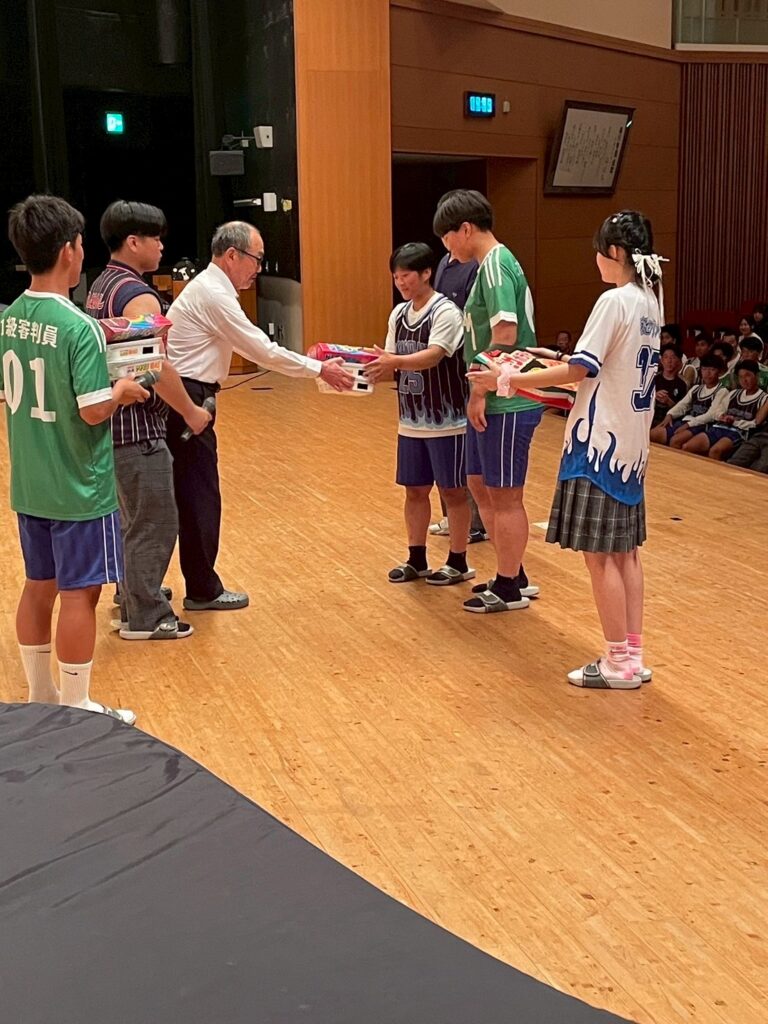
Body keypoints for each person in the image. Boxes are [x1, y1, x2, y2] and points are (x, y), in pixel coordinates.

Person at [470, 210, 664, 689]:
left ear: (613, 252)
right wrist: (551, 359)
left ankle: (616, 662)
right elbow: (599, 366)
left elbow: (581, 371)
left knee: (601, 556)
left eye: (599, 251)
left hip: (598, 445)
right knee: (626, 554)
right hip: (631, 447)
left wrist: (507, 378)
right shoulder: (650, 301)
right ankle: (632, 656)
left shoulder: (613, 300)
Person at [1, 195, 149, 721]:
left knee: (38, 587)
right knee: (80, 594)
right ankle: (77, 705)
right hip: (79, 487)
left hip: (30, 484)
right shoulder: (77, 326)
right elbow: (91, 411)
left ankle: (41, 696)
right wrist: (123, 390)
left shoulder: (10, 318)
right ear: (68, 250)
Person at [165, 221, 354, 611]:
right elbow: (262, 351)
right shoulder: (214, 294)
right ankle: (202, 589)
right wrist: (320, 369)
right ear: (232, 255)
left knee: (187, 495)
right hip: (188, 398)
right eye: (257, 259)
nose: (259, 268)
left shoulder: (211, 288)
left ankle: (172, 585)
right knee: (199, 496)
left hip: (188, 393)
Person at [87, 200, 212, 641]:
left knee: (133, 519)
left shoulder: (101, 285)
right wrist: (192, 412)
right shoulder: (137, 294)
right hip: (136, 427)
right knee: (155, 521)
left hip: (111, 423)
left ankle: (133, 596)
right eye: (155, 238)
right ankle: (146, 615)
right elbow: (154, 363)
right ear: (132, 242)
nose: (161, 246)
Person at [433, 189, 542, 613]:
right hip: (490, 396)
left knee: (505, 494)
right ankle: (512, 571)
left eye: (447, 238)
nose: (448, 250)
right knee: (479, 484)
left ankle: (510, 587)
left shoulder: (496, 264)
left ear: (465, 229)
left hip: (507, 399)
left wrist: (480, 389)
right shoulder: (488, 266)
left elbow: (506, 335)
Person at [365, 243, 472, 585]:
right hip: (410, 421)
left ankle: (458, 561)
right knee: (414, 490)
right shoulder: (398, 315)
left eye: (406, 275)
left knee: (453, 492)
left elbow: (434, 355)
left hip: (448, 421)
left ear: (426, 273)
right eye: (396, 277)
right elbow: (389, 362)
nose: (400, 282)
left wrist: (392, 362)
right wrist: (359, 371)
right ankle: (417, 558)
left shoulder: (446, 312)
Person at [429, 239, 486, 544]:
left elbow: (474, 319)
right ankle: (452, 518)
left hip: (467, 365)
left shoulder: (476, 267)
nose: (446, 240)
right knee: (444, 441)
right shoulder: (444, 262)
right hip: (445, 370)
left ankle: (475, 523)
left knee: (466, 447)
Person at [681, 360, 768, 461]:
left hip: (739, 432)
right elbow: (717, 412)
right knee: (687, 447)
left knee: (715, 451)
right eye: (740, 377)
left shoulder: (763, 398)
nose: (744, 380)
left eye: (747, 376)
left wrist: (734, 421)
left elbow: (755, 423)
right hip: (719, 427)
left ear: (757, 376)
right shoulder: (733, 393)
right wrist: (722, 416)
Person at [650, 354, 726, 447]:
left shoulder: (722, 391)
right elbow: (682, 405)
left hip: (703, 425)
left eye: (712, 370)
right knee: (653, 434)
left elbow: (710, 415)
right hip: (686, 421)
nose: (707, 373)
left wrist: (688, 425)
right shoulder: (696, 388)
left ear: (719, 372)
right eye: (704, 369)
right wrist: (670, 414)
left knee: (675, 441)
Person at [652, 343, 687, 427]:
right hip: (651, 417)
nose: (669, 361)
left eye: (673, 357)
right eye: (666, 357)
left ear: (678, 361)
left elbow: (682, 410)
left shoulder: (682, 384)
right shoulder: (653, 379)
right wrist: (654, 396)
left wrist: (668, 401)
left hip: (669, 422)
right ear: (661, 360)